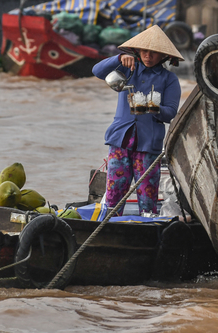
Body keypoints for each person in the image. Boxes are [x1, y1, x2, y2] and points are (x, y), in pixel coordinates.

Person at [92, 25, 183, 215]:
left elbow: (171, 112)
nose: (148, 55)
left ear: (163, 56)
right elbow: (97, 71)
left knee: (147, 199)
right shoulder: (127, 69)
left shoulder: (169, 79)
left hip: (148, 146)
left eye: (154, 52)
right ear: (137, 51)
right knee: (114, 195)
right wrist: (118, 58)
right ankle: (109, 227)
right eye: (144, 51)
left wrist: (152, 108)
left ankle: (147, 226)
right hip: (120, 141)